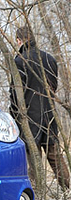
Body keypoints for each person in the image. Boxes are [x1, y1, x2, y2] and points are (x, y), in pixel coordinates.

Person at [10, 25, 70, 189]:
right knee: (55, 157)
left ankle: (37, 194)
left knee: (33, 159)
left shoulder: (19, 61)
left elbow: (16, 94)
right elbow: (53, 87)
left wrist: (15, 116)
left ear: (19, 40)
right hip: (50, 114)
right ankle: (68, 191)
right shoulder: (50, 59)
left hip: (29, 118)